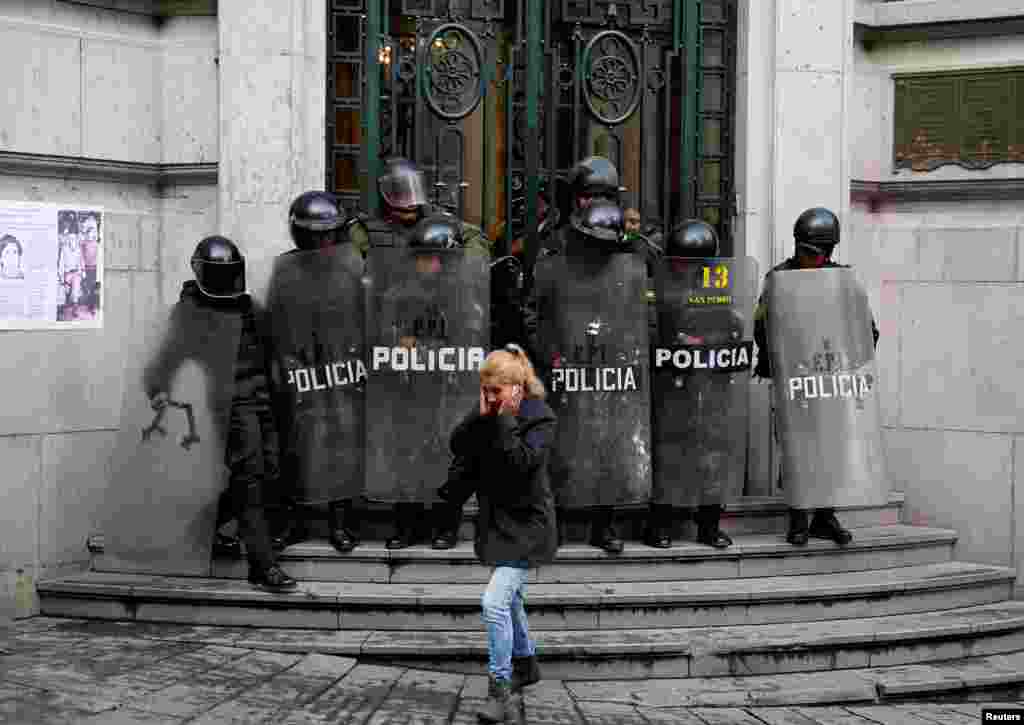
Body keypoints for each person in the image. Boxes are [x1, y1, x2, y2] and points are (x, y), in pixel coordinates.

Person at [144, 236, 297, 590]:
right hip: (231, 403)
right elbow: (169, 357)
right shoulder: (191, 312)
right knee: (251, 478)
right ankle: (262, 566)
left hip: (263, 398)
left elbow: (272, 347)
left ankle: (201, 527)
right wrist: (159, 389)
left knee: (270, 473)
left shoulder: (247, 307)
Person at [357, 158, 492, 550]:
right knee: (406, 451)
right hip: (407, 382)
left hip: (447, 382)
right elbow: (385, 327)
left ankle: (445, 524)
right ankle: (406, 525)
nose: (429, 263)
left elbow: (470, 334)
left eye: (436, 256)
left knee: (447, 452)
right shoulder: (399, 292)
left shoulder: (463, 297)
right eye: (423, 256)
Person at [437, 344, 556, 723]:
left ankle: (500, 690)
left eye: (496, 391)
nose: (488, 398)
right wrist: (484, 415)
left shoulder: (540, 419)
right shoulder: (486, 411)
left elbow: (521, 463)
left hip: (529, 525)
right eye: (484, 391)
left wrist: (503, 419)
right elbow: (457, 443)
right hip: (497, 523)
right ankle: (527, 665)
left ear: (517, 387)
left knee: (494, 603)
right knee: (512, 600)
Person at [753, 207, 879, 547]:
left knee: (832, 448)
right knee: (797, 447)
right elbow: (761, 325)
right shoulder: (778, 279)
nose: (805, 257)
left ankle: (825, 517)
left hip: (830, 379)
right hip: (797, 381)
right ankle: (798, 518)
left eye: (813, 252)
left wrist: (852, 364)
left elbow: (866, 329)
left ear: (829, 252)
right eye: (802, 249)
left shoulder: (843, 281)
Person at [266, 191, 366, 554]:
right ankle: (294, 522)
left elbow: (366, 316)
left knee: (343, 442)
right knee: (298, 445)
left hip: (344, 368)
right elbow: (276, 322)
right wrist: (283, 364)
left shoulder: (353, 265)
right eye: (315, 234)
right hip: (301, 372)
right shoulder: (285, 269)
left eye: (328, 233)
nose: (322, 240)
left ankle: (341, 523)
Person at [645, 219, 744, 549]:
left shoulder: (718, 288)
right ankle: (661, 522)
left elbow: (733, 328)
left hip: (711, 382)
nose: (692, 270)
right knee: (670, 451)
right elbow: (646, 328)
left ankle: (709, 523)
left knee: (713, 453)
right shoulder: (658, 287)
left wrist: (708, 341)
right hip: (671, 384)